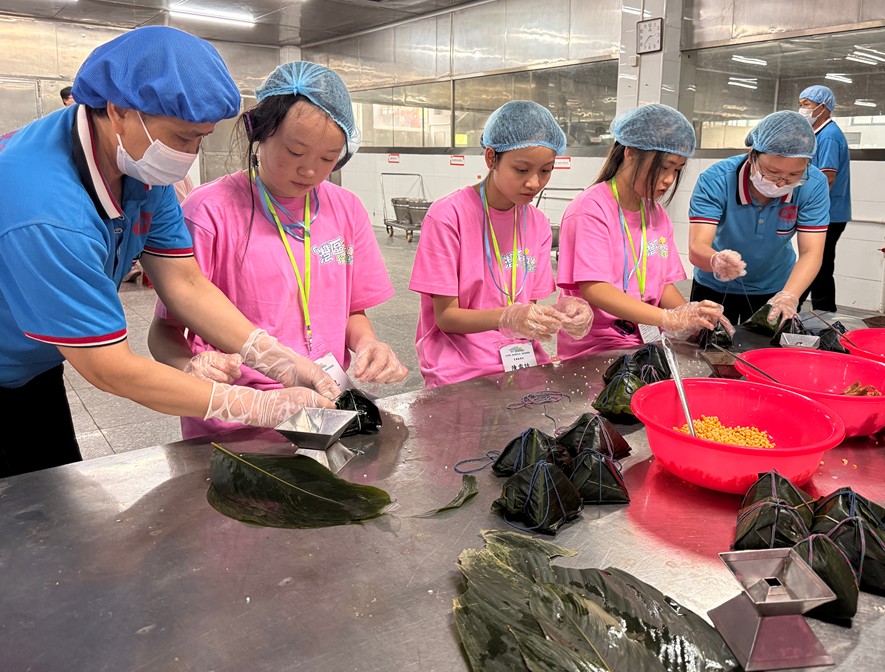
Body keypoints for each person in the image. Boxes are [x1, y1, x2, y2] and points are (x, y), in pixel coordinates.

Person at [0, 28, 339, 477]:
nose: (189, 154)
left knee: (49, 487)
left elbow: (184, 282)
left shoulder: (135, 162)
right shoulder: (46, 209)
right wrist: (254, 404)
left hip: (32, 364)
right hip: (9, 357)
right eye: (182, 138)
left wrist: (279, 360)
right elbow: (110, 368)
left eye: (201, 138)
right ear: (119, 110)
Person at [149, 61, 407, 439]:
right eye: (295, 151)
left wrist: (368, 343)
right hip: (235, 415)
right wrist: (189, 365)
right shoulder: (208, 212)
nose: (309, 171)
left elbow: (352, 310)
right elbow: (163, 332)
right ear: (260, 131)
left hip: (322, 404)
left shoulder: (346, 209)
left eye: (328, 158)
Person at [410, 101, 593, 387]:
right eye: (521, 170)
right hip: (460, 365)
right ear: (491, 158)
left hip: (521, 357)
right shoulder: (448, 215)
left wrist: (561, 313)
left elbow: (526, 308)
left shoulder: (537, 223)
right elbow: (446, 318)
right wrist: (508, 317)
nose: (534, 183)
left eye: (546, 171)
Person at [556, 104, 727, 360]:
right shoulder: (590, 209)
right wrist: (666, 317)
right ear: (631, 153)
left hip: (647, 342)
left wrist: (692, 317)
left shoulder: (656, 214)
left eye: (677, 169)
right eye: (665, 167)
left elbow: (662, 284)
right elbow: (594, 288)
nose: (669, 179)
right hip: (597, 347)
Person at [687, 110, 831, 325]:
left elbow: (812, 252)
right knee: (707, 342)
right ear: (752, 155)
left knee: (763, 345)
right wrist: (715, 260)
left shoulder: (813, 184)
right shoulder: (716, 180)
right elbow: (697, 246)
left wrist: (789, 295)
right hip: (713, 285)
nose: (781, 183)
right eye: (772, 172)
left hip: (775, 287)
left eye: (794, 175)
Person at [797, 84, 851, 312]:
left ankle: (814, 310)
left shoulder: (829, 137)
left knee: (818, 264)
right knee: (818, 264)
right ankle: (811, 309)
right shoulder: (817, 134)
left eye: (806, 104)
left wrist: (808, 205)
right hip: (825, 213)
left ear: (823, 107)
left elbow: (827, 178)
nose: (802, 109)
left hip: (829, 213)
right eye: (801, 104)